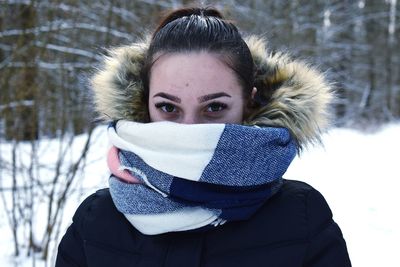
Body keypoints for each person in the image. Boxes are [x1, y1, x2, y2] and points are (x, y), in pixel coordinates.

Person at [56, 6, 351, 267]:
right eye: (168, 107)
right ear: (143, 104)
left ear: (249, 102)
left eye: (214, 107)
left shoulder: (301, 218)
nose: (189, 131)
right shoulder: (96, 222)